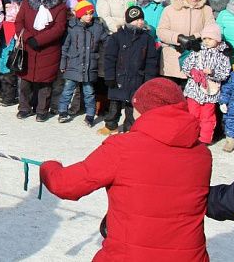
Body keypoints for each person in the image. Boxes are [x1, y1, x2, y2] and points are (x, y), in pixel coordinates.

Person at [40, 77, 212, 262]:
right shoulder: (201, 154)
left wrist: (49, 167)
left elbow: (66, 184)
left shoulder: (123, 148)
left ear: (144, 109)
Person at [14, 0, 69, 121]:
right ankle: (24, 107)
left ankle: (42, 110)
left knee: (45, 83)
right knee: (25, 81)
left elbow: (59, 28)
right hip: (28, 47)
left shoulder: (60, 6)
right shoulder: (27, 3)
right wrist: (28, 37)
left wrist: (39, 40)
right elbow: (19, 22)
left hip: (48, 49)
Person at [102, 6, 160, 134]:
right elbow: (109, 58)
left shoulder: (147, 38)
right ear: (129, 21)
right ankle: (111, 125)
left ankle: (130, 127)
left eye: (141, 19)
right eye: (136, 19)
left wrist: (149, 79)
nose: (140, 22)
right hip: (119, 76)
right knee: (115, 103)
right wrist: (109, 76)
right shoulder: (117, 37)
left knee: (132, 105)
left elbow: (151, 61)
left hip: (137, 78)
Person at [58, 0, 108, 126]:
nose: (89, 16)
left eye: (91, 13)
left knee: (89, 92)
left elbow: (106, 41)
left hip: (90, 65)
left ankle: (90, 115)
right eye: (86, 14)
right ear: (79, 15)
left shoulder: (97, 27)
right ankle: (63, 111)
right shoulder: (72, 27)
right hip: (73, 64)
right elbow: (65, 47)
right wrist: (63, 63)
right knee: (68, 89)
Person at [181, 24, 231, 144]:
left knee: (207, 117)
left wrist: (212, 72)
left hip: (210, 92)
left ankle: (204, 139)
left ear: (217, 39)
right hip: (194, 90)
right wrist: (192, 71)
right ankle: (191, 136)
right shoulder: (197, 51)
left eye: (210, 38)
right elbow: (186, 64)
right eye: (204, 38)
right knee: (192, 115)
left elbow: (225, 73)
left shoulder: (222, 54)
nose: (206, 41)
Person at [156, 0, 215, 81]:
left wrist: (195, 37)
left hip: (196, 54)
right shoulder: (170, 10)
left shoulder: (206, 10)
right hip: (172, 56)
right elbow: (161, 31)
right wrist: (178, 38)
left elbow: (211, 29)